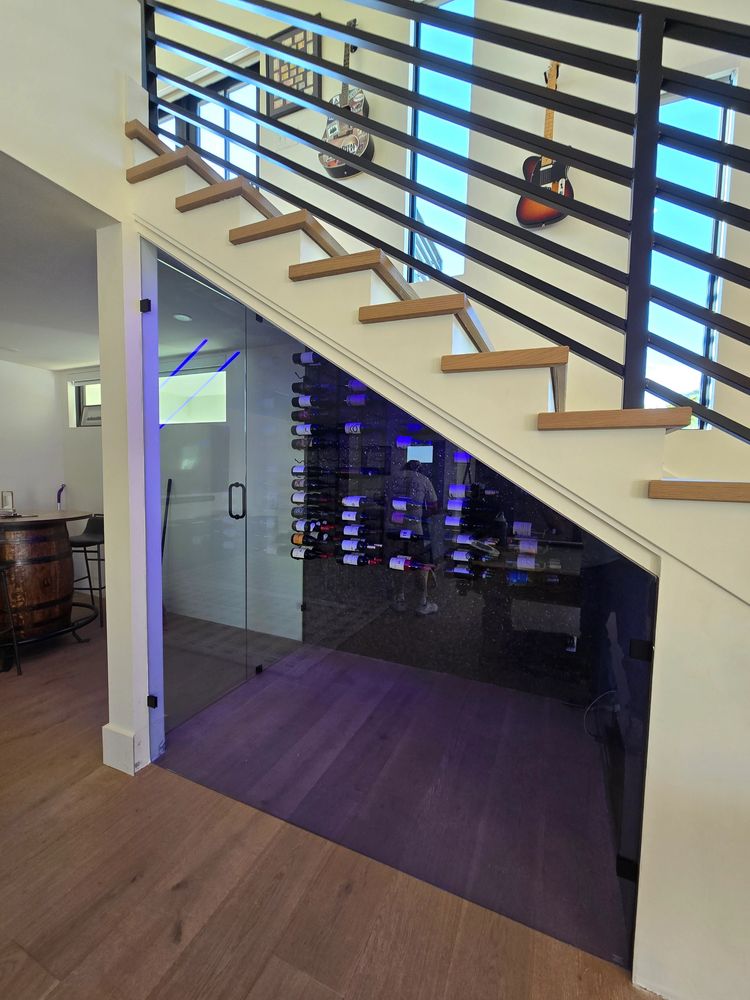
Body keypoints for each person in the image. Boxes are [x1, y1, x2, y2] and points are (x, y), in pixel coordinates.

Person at [384, 459, 439, 615]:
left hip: (393, 528)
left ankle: (399, 600)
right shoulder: (424, 480)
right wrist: (420, 513)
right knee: (421, 566)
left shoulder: (392, 478)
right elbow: (434, 506)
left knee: (398, 562)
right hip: (414, 530)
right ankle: (422, 604)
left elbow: (385, 499)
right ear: (420, 469)